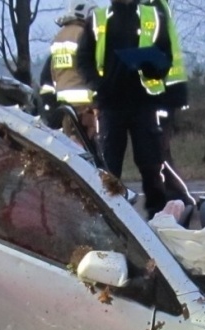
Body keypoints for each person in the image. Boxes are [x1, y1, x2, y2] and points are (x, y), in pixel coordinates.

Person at [76, 0, 172, 218]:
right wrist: (100, 85)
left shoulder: (153, 17)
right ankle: (109, 220)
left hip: (144, 104)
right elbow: (83, 60)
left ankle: (159, 222)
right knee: (109, 168)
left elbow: (166, 58)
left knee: (151, 165)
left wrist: (152, 68)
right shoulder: (98, 19)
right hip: (111, 105)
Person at [144, 0, 193, 204]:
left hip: (160, 92)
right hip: (167, 91)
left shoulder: (149, 9)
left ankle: (178, 195)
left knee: (158, 149)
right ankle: (172, 194)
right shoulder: (157, 7)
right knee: (159, 148)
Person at [39, 1, 98, 144]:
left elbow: (51, 73)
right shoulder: (85, 34)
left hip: (65, 107)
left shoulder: (59, 37)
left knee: (71, 148)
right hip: (86, 107)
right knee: (89, 151)